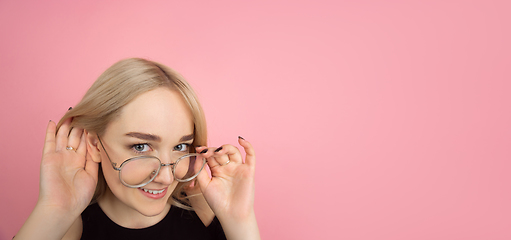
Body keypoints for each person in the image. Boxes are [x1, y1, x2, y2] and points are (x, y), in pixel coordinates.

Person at [14, 58, 260, 240]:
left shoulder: (203, 209)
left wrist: (240, 221)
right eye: (141, 146)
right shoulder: (69, 227)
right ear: (95, 143)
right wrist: (54, 210)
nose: (166, 177)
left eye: (180, 146)